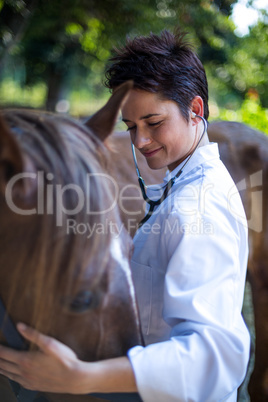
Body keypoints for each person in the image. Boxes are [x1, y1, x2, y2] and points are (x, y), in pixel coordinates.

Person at [0, 29, 250, 401]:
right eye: (131, 127)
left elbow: (214, 358)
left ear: (195, 110)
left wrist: (84, 378)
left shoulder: (200, 208)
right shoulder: (180, 183)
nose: (140, 141)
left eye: (153, 122)